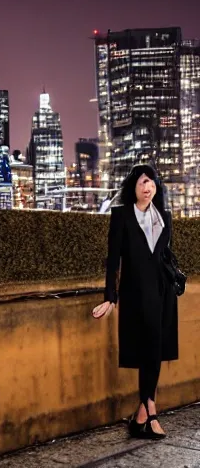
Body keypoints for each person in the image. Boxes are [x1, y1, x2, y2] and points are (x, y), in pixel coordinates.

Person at [92, 164, 178, 440]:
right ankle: (148, 411)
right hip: (135, 293)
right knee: (146, 348)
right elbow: (113, 258)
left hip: (162, 293)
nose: (147, 187)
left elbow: (164, 256)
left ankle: (145, 410)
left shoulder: (164, 216)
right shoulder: (122, 215)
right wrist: (110, 296)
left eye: (151, 182)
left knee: (154, 347)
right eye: (142, 182)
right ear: (134, 186)